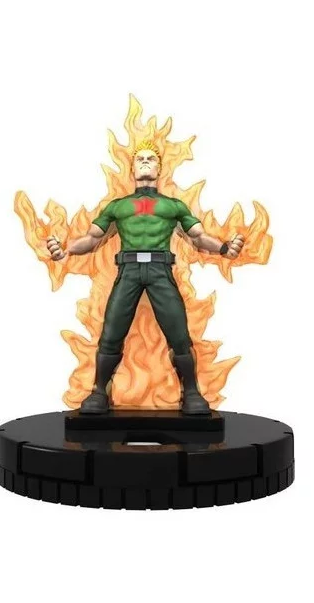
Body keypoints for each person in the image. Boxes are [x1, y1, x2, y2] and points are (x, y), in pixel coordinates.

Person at [45, 140, 245, 414]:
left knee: (179, 333)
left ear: (160, 168)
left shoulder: (173, 206)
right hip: (128, 271)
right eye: (140, 158)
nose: (146, 162)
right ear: (132, 168)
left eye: (151, 158)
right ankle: (99, 392)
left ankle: (191, 392)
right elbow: (92, 238)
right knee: (111, 332)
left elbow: (198, 236)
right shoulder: (118, 207)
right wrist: (65, 250)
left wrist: (224, 248)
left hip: (160, 270)